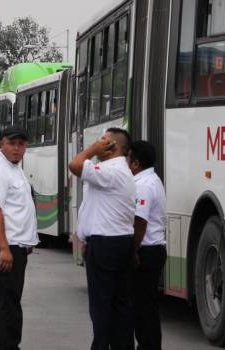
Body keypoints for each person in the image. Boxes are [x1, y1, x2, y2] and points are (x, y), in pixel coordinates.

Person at [69, 127, 136, 350]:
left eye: (103, 141)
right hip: (118, 242)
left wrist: (91, 149)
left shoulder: (111, 171)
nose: (99, 143)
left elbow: (75, 165)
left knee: (102, 307)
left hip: (107, 245)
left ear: (113, 146)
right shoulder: (118, 171)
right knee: (119, 306)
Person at [0, 125, 39, 350]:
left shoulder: (14, 169)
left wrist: (27, 241)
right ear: (1, 144)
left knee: (0, 301)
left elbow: (19, 208)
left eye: (21, 144)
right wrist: (4, 247)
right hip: (3, 246)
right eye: (12, 143)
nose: (17, 148)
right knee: (7, 305)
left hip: (15, 245)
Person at [128, 141, 167, 350]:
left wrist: (133, 250)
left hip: (147, 252)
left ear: (135, 164)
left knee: (143, 308)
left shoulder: (143, 185)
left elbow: (140, 222)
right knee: (146, 306)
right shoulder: (152, 179)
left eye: (127, 159)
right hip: (153, 250)